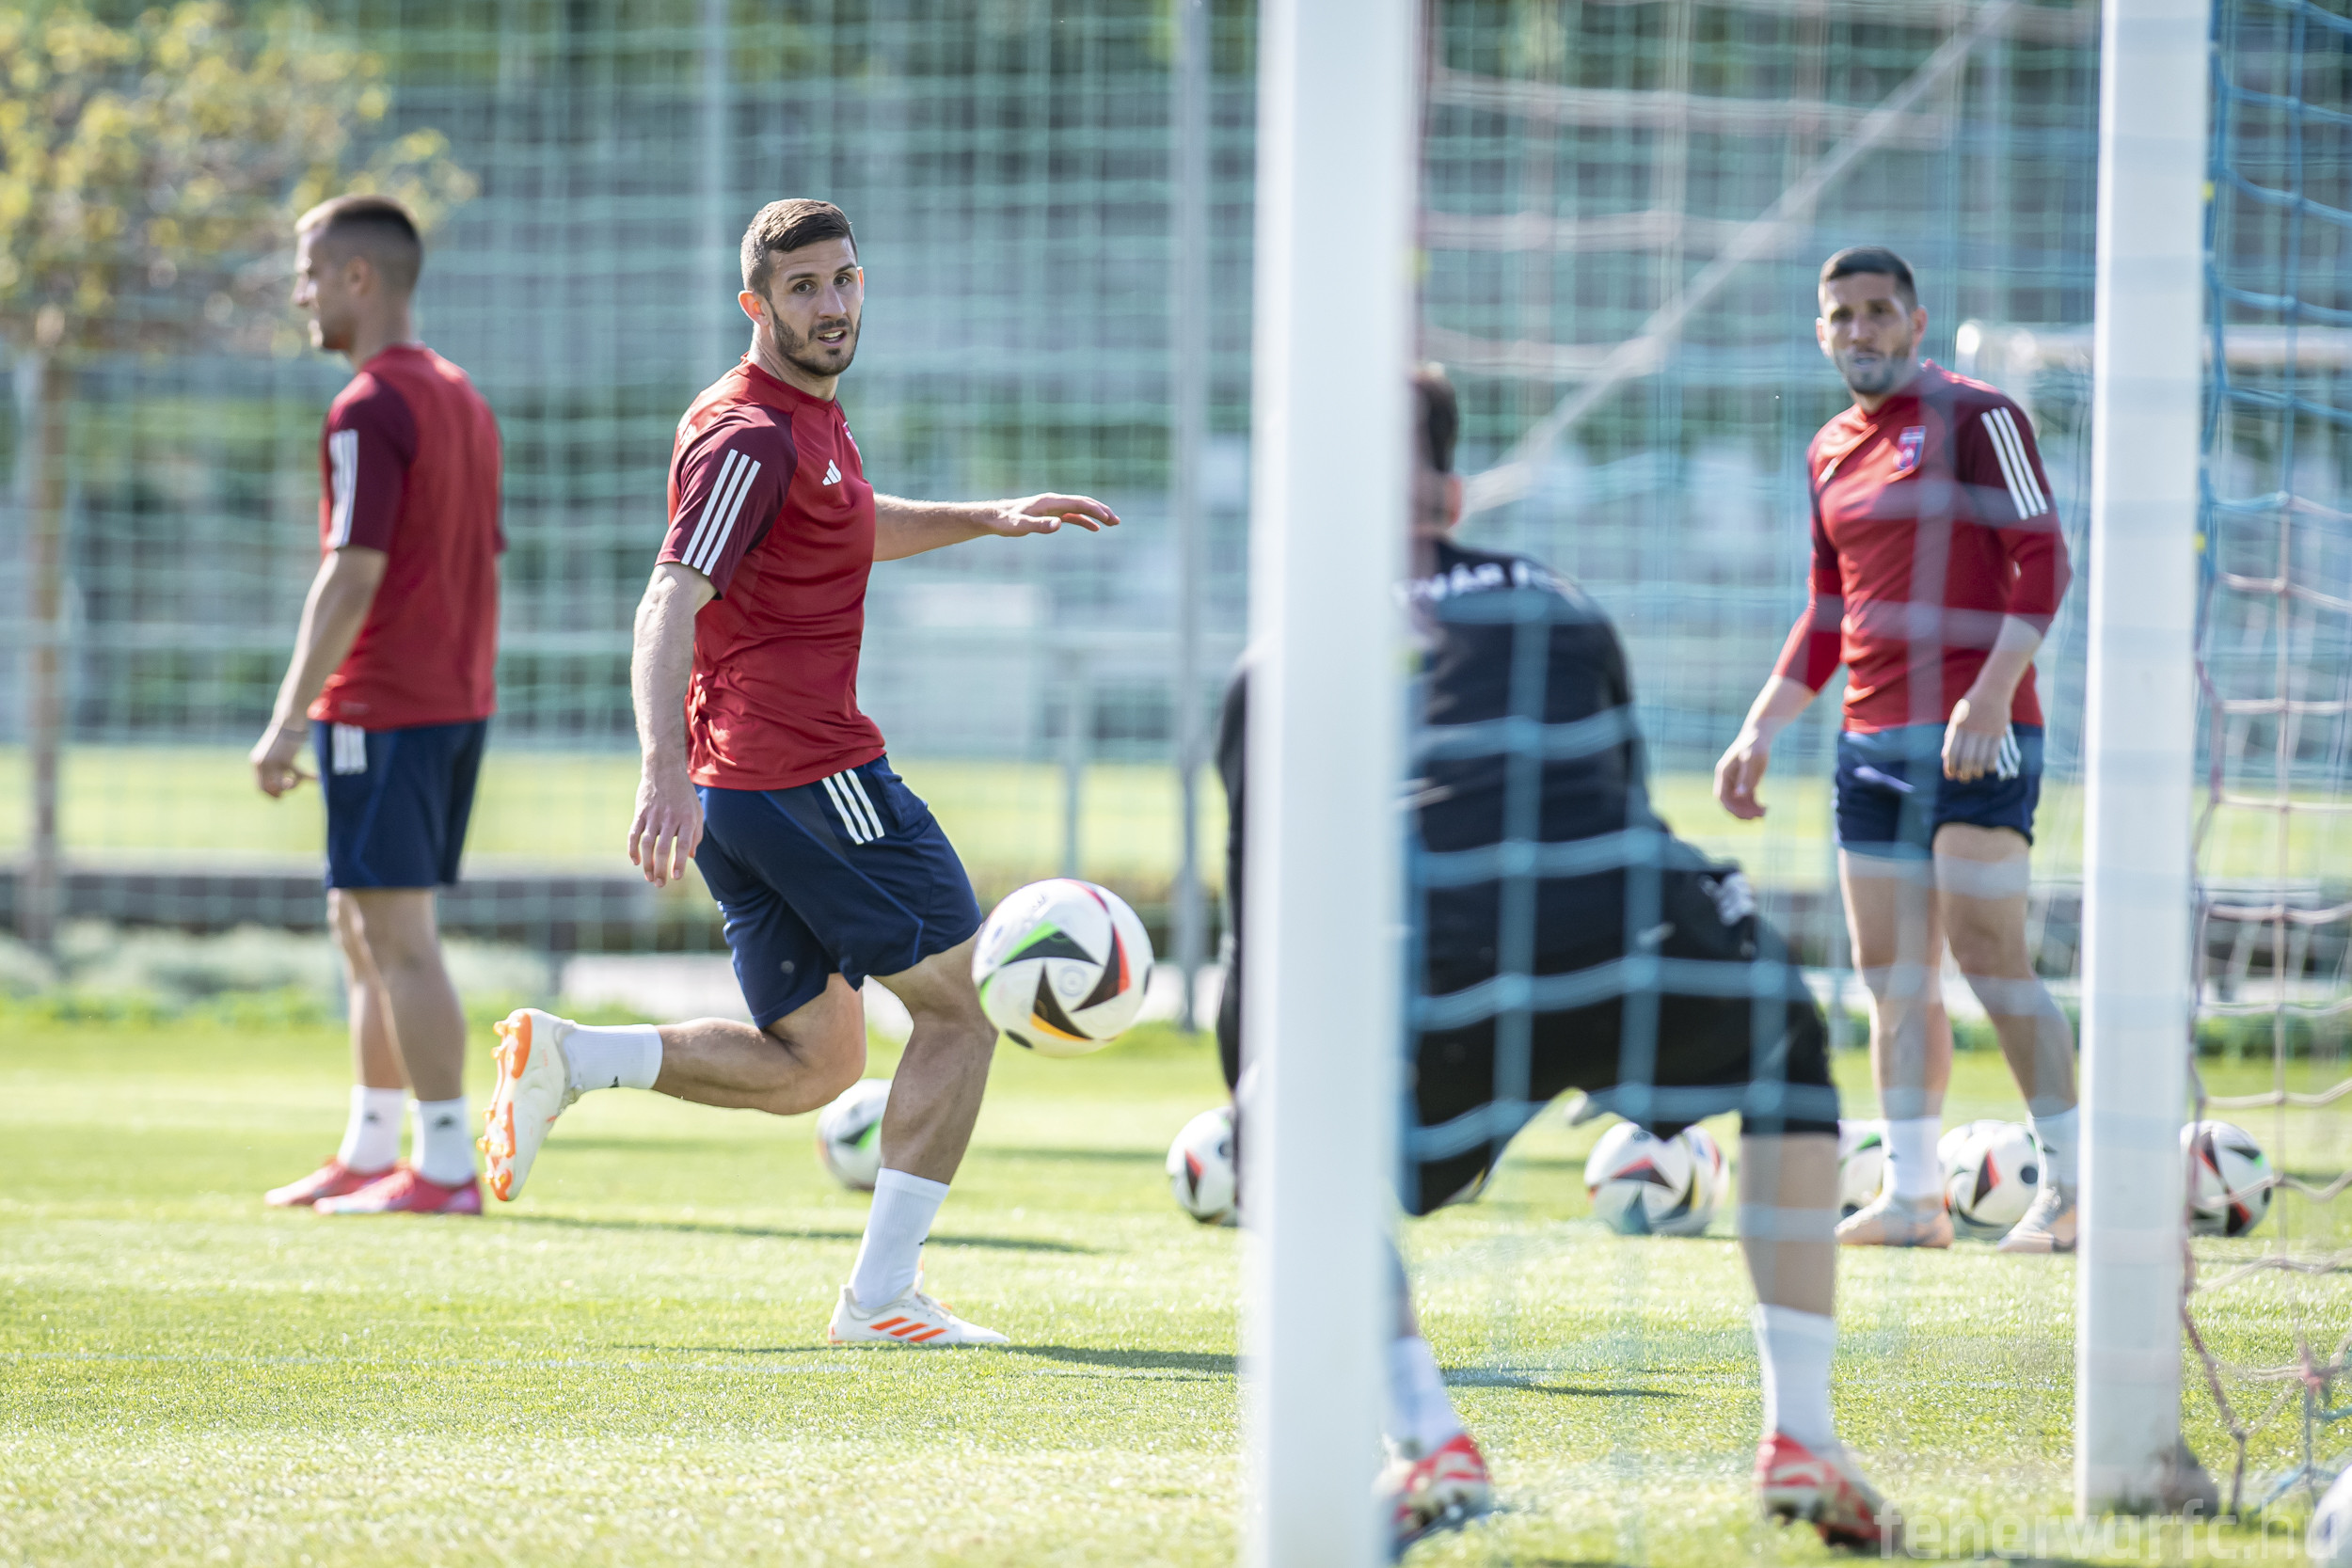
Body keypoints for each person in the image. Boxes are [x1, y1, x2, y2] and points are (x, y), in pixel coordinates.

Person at [1216, 369, 1896, 1553]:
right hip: (1635, 925)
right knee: (1788, 1045)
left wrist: (1255, 1107)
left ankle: (1426, 1436)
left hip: (1432, 959)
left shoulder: (1279, 656)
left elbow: (1260, 924)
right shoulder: (1560, 600)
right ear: (1452, 493)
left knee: (1281, 1124)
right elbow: (1615, 796)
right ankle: (1801, 1435)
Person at [475, 198, 1120, 1346]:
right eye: (804, 287)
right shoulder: (750, 435)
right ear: (756, 303)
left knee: (816, 1061)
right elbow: (668, 597)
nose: (831, 306)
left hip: (752, 788)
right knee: (964, 1009)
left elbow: (842, 523)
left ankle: (574, 1056)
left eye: (844, 280)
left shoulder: (806, 424)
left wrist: (990, 516)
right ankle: (881, 1298)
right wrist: (659, 770)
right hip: (807, 773)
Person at [1713, 246, 2079, 1253]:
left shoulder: (1978, 417)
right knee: (1891, 978)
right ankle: (1915, 1198)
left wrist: (1991, 693)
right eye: (1842, 315)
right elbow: (1827, 610)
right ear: (1820, 332)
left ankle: (2073, 1185)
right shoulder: (1828, 449)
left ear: (1916, 323)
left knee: (1990, 954)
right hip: (1868, 746)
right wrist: (1760, 726)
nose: (1860, 329)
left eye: (1878, 310)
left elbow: (2043, 557)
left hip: (1978, 735)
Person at [253, 196, 505, 1217]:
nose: (300, 294)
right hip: (448, 699)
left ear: (358, 278)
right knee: (359, 923)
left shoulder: (368, 405)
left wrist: (286, 719)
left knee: (397, 934)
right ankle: (369, 1146)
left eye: (309, 273)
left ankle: (443, 1165)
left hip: (387, 705)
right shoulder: (460, 394)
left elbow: (352, 569)